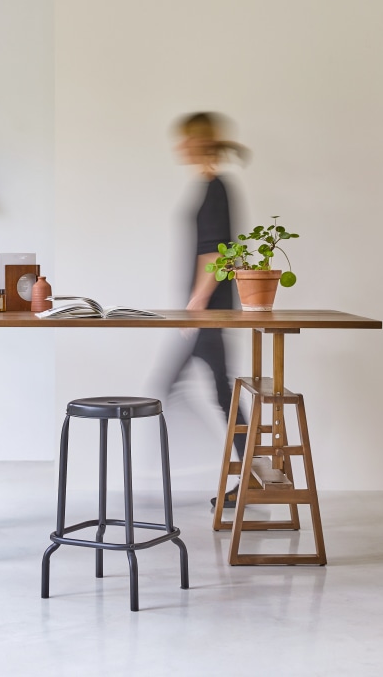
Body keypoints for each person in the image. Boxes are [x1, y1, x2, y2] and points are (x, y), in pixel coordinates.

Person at [158, 111, 249, 508]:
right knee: (217, 390)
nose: (180, 146)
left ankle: (240, 473)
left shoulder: (216, 188)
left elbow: (216, 252)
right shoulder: (211, 186)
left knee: (206, 390)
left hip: (209, 308)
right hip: (208, 308)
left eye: (185, 139)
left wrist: (196, 303)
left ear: (198, 142)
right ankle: (246, 473)